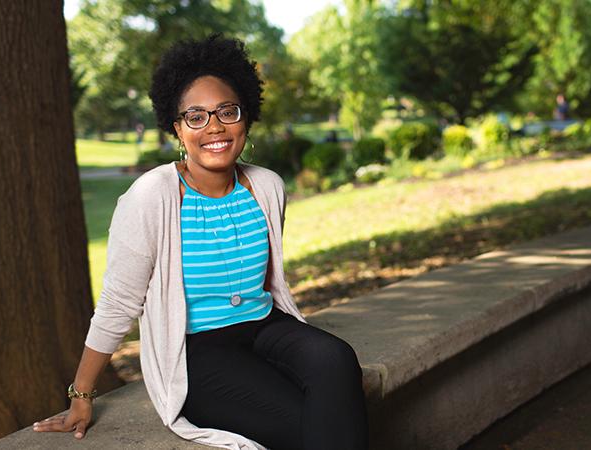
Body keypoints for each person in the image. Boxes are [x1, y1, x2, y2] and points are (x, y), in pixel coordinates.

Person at [33, 34, 368, 450]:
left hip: (265, 327)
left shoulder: (266, 187)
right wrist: (81, 395)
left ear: (246, 116)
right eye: (196, 116)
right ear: (177, 128)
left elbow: (267, 284)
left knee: (335, 359)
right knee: (309, 422)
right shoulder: (152, 196)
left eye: (227, 111)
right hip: (197, 349)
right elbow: (119, 303)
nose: (214, 126)